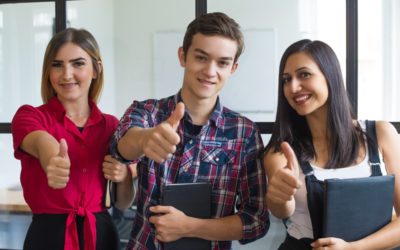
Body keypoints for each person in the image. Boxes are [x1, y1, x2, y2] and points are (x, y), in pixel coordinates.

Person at [110, 12, 269, 249]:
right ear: (183, 56)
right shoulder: (147, 112)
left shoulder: (244, 133)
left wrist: (190, 226)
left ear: (233, 68)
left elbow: (255, 220)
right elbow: (121, 146)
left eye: (222, 63)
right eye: (201, 58)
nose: (210, 71)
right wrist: (146, 140)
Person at [263, 39, 400, 250]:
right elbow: (282, 209)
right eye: (286, 79)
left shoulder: (380, 134)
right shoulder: (281, 151)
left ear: (330, 76)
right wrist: (278, 195)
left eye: (304, 74)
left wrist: (353, 248)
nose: (293, 87)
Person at [11, 28, 134, 250]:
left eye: (78, 64)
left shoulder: (113, 126)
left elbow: (123, 203)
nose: (66, 74)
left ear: (96, 70)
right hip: (47, 238)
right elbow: (40, 142)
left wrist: (123, 176)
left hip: (102, 236)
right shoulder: (29, 115)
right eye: (57, 65)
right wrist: (52, 160)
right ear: (48, 71)